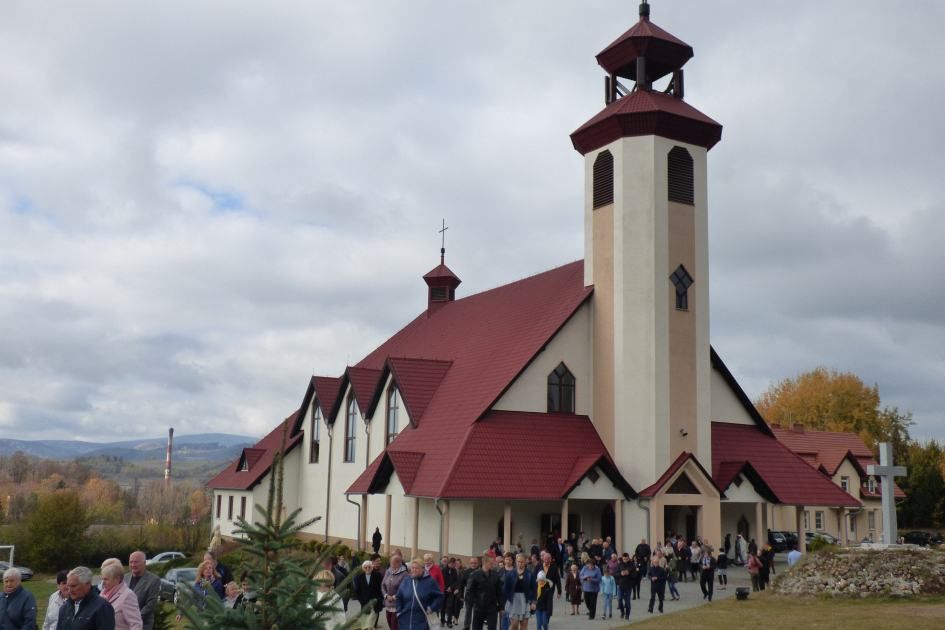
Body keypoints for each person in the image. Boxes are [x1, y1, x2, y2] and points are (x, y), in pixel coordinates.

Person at [396, 558, 443, 630]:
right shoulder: (406, 580)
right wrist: (399, 611)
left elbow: (439, 597)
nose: (414, 570)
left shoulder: (430, 581)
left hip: (422, 621)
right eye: (412, 568)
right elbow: (399, 596)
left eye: (416, 568)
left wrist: (431, 608)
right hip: (405, 620)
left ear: (423, 569)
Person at [100, 560, 143, 630]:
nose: (103, 583)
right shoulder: (103, 594)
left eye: (106, 579)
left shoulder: (128, 595)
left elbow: (136, 624)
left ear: (117, 579)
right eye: (102, 579)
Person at [126, 552, 160, 630]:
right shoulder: (125, 578)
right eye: (131, 562)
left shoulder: (154, 580)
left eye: (136, 562)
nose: (133, 565)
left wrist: (134, 618)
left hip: (143, 624)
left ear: (144, 563)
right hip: (125, 624)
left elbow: (151, 604)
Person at [467, 556, 503, 630]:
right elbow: (469, 591)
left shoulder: (495, 575)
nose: (493, 565)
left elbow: (499, 591)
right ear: (485, 563)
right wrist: (475, 603)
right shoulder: (474, 575)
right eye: (491, 563)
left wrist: (501, 605)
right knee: (477, 627)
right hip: (479, 607)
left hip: (492, 607)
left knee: (492, 627)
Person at [502, 554, 536, 630]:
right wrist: (502, 604)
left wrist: (533, 602)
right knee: (514, 625)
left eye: (522, 562)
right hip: (513, 600)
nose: (520, 563)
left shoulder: (530, 574)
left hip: (525, 600)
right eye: (518, 561)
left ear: (525, 562)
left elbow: (534, 589)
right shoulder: (510, 574)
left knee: (524, 625)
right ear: (516, 562)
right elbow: (505, 589)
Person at [354, 559, 383, 629]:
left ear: (372, 567)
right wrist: (361, 600)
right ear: (363, 568)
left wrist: (379, 599)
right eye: (365, 567)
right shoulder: (359, 577)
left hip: (375, 602)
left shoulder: (377, 575)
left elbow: (380, 588)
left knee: (372, 622)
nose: (367, 569)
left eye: (369, 567)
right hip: (364, 603)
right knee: (364, 621)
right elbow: (357, 591)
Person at [383, 554, 409, 630]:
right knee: (389, 622)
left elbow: (405, 589)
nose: (391, 565)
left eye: (393, 563)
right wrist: (386, 595)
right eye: (391, 563)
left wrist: (394, 596)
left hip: (398, 604)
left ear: (399, 563)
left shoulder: (405, 574)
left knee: (394, 625)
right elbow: (383, 584)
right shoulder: (388, 571)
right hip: (388, 602)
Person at [457, 557, 479, 630]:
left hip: (479, 596)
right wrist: (461, 596)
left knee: (477, 613)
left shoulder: (481, 572)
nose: (473, 564)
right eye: (472, 563)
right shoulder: (466, 572)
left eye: (475, 563)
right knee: (468, 611)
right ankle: (467, 626)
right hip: (469, 595)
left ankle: (476, 626)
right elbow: (461, 585)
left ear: (478, 563)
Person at [615, 553, 633, 619]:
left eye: (626, 559)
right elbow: (615, 573)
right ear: (622, 558)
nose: (625, 560)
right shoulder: (619, 565)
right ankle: (622, 612)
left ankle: (627, 615)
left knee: (627, 602)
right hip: (621, 585)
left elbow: (635, 575)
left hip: (628, 586)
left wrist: (629, 573)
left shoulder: (632, 565)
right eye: (624, 559)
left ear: (628, 558)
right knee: (619, 599)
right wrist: (621, 573)